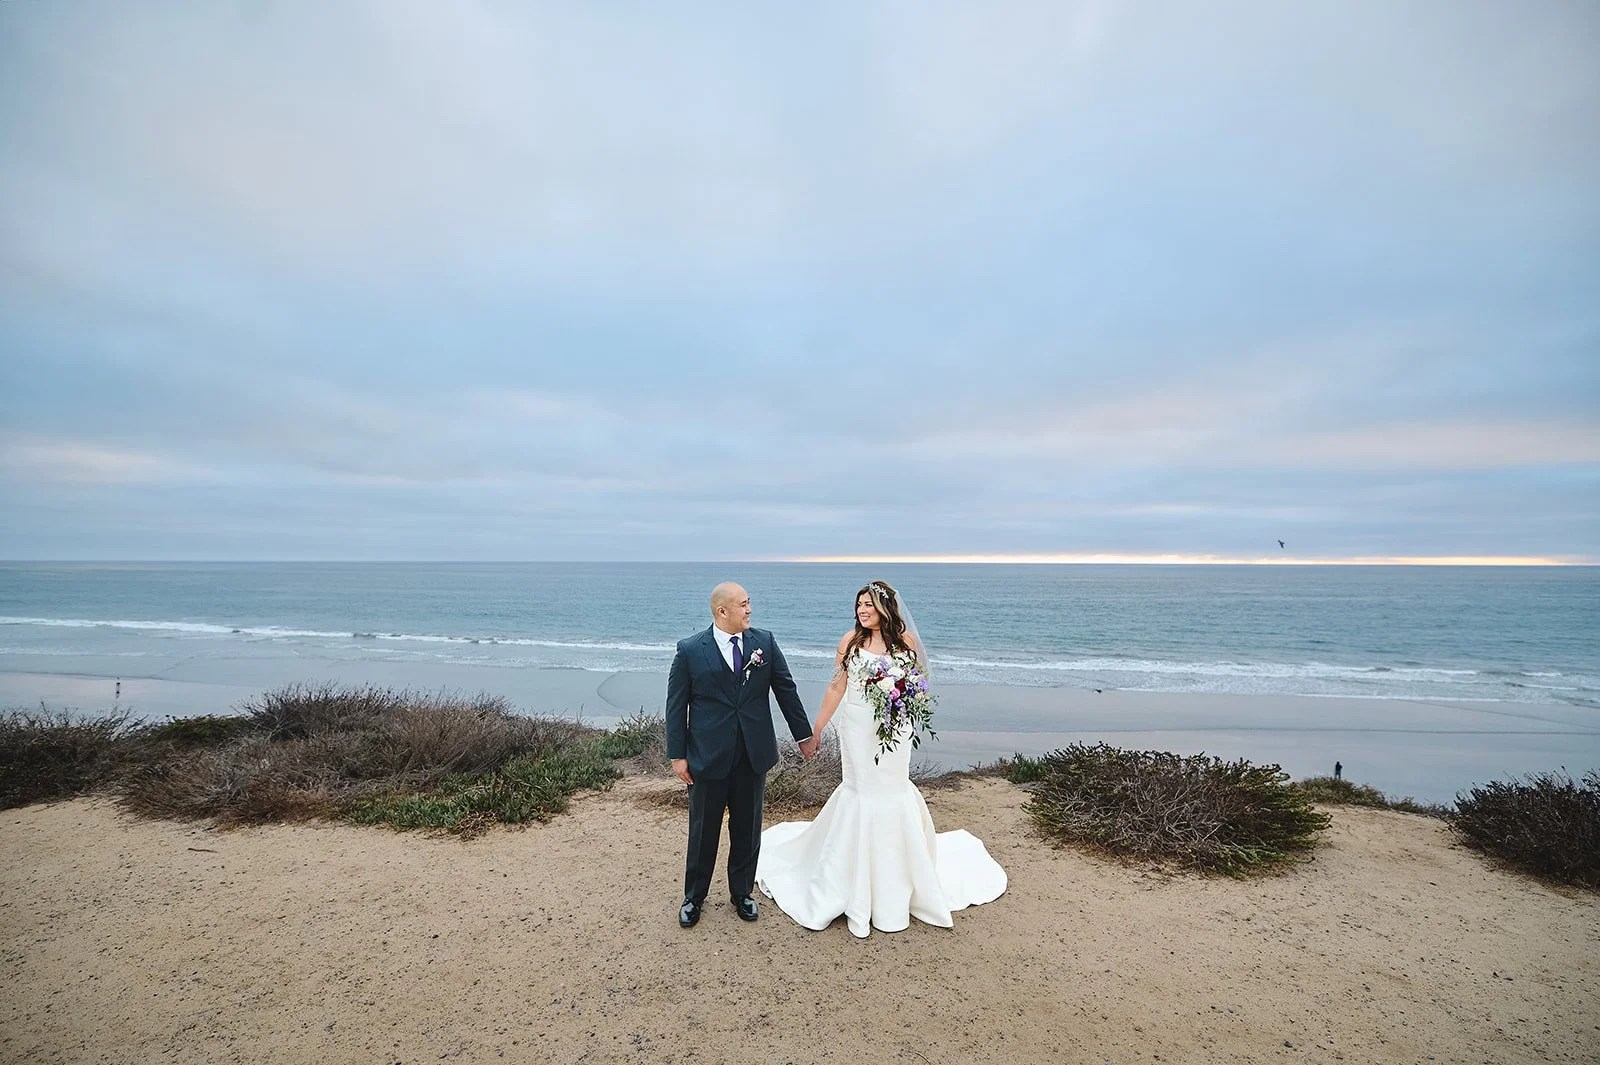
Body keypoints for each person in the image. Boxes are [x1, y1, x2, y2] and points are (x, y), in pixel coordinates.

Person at [755, 580, 1007, 938]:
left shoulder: (905, 642)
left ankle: (898, 880)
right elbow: (837, 686)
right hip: (857, 728)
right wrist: (817, 728)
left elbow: (917, 686)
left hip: (895, 731)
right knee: (861, 791)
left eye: (869, 604)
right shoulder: (850, 641)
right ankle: (847, 879)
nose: (862, 610)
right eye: (859, 604)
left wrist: (906, 705)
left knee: (892, 790)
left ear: (885, 608)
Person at [665, 582, 815, 929]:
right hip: (707, 756)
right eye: (743, 605)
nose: (749, 610)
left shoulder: (765, 642)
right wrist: (677, 755)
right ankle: (694, 897)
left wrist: (803, 735)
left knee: (748, 828)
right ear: (722, 611)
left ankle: (742, 893)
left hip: (752, 753)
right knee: (703, 830)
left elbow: (785, 689)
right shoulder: (690, 650)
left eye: (749, 603)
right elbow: (676, 705)